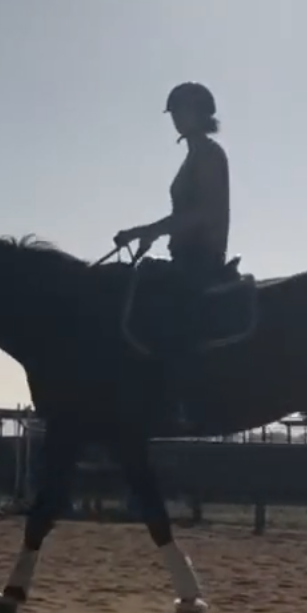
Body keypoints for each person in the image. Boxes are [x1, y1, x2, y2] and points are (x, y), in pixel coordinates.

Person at [115, 81, 232, 428]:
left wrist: (146, 230)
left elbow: (205, 214)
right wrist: (154, 236)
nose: (177, 119)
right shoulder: (194, 154)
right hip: (185, 252)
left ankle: (178, 399)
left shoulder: (209, 154)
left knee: (167, 315)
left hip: (201, 258)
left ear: (201, 114)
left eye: (183, 111)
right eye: (175, 113)